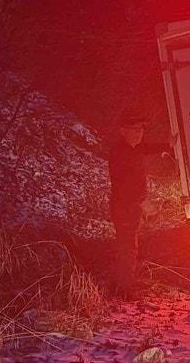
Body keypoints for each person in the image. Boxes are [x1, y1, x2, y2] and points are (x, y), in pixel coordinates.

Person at [72, 114, 173, 293]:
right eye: (135, 130)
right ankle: (124, 289)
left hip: (129, 207)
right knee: (127, 248)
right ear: (123, 131)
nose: (139, 134)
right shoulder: (121, 153)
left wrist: (167, 145)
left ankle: (125, 284)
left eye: (141, 130)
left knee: (129, 246)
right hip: (124, 208)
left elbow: (145, 148)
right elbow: (124, 185)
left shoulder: (132, 148)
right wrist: (142, 202)